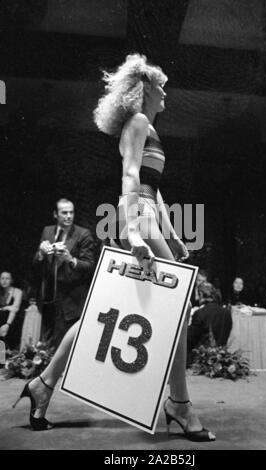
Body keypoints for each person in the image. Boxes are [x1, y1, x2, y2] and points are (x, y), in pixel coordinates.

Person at [14, 54, 215, 441]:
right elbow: (130, 177)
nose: (166, 93)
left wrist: (171, 233)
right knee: (176, 310)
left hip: (146, 217)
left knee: (108, 314)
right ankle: (180, 404)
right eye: (161, 87)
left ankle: (43, 382)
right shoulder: (138, 123)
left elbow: (153, 188)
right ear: (145, 90)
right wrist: (138, 235)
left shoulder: (147, 128)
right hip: (137, 220)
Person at [33, 198, 95, 348]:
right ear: (55, 214)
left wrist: (70, 259)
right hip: (48, 299)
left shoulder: (83, 234)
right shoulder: (47, 231)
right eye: (64, 213)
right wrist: (41, 254)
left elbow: (90, 266)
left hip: (70, 302)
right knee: (43, 347)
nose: (69, 216)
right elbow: (36, 265)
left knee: (62, 347)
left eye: (71, 212)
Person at [187, 282, 232, 367]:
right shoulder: (226, 313)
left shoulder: (200, 313)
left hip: (201, 362)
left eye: (197, 294)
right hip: (221, 361)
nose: (196, 298)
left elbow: (191, 339)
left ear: (201, 294)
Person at [0, 271, 23, 350]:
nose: (4, 281)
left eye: (7, 278)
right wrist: (8, 307)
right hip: (1, 320)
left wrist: (7, 324)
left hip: (12, 322)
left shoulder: (17, 292)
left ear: (12, 280)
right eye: (2, 278)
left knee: (8, 347)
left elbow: (15, 308)